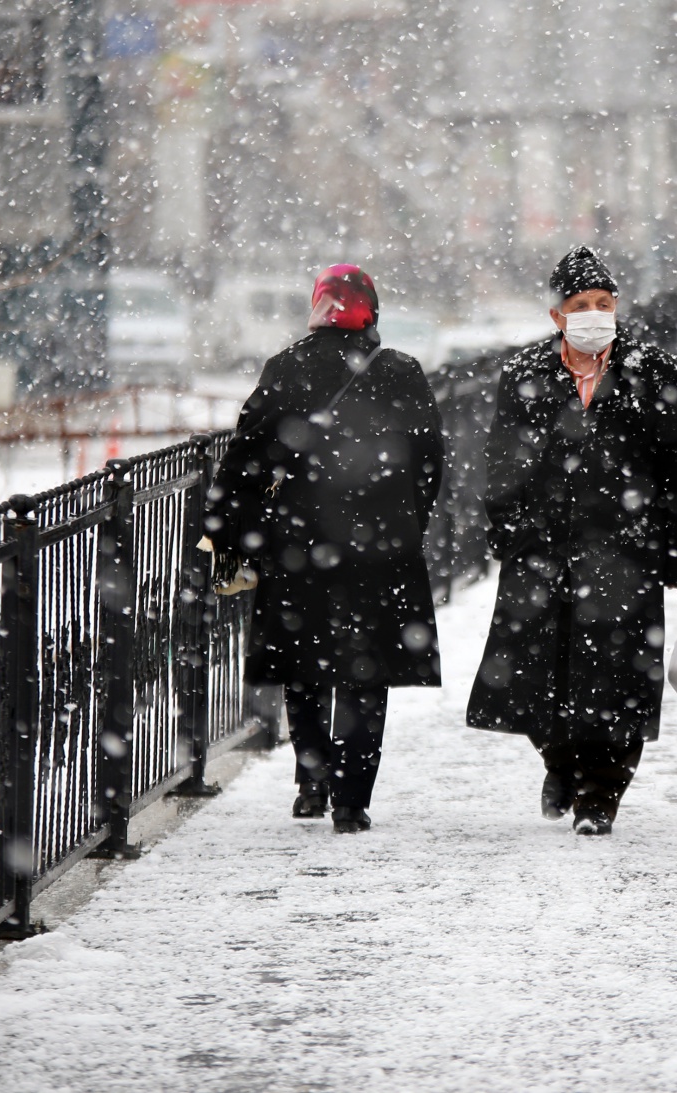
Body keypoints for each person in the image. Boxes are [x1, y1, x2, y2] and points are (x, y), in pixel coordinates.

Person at [467, 246, 677, 835]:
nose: (595, 314)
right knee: (531, 676)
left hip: (627, 552)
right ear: (558, 317)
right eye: (581, 305)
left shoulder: (656, 373)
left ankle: (601, 794)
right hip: (543, 550)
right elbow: (501, 463)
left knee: (619, 681)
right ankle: (561, 762)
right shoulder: (525, 374)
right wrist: (508, 531)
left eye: (604, 303)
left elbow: (676, 469)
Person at [205, 265, 444, 831]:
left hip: (299, 542)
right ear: (371, 312)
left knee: (304, 665)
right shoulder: (401, 372)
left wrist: (224, 526)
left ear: (319, 306)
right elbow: (430, 459)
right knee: (366, 673)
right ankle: (352, 800)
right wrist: (409, 517)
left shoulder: (286, 367)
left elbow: (246, 455)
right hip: (380, 547)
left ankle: (312, 782)